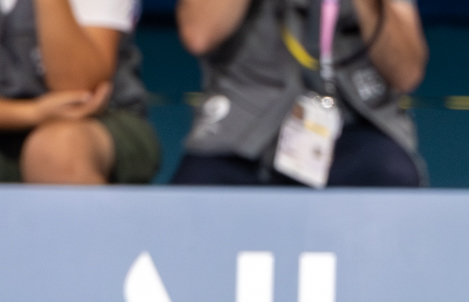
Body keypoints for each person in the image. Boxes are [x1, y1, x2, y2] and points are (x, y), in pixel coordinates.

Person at [173, 0, 425, 187]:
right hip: (243, 119)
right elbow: (199, 34)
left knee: (390, 177)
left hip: (354, 120)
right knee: (197, 195)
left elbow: (405, 73)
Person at [0, 0, 158, 185]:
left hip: (100, 120)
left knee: (58, 150)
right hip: (8, 124)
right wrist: (34, 112)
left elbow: (78, 89)